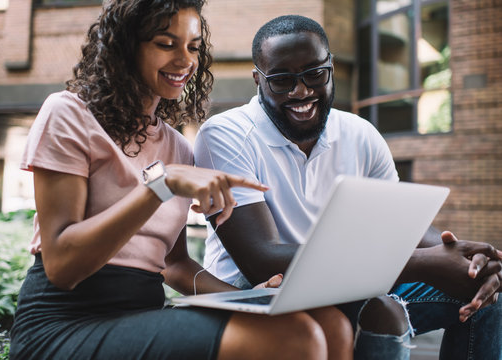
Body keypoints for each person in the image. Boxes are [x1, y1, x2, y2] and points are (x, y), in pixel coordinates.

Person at [9, 2, 356, 360]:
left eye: (193, 47)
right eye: (166, 44)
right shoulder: (68, 114)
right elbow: (62, 267)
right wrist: (161, 185)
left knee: (331, 323)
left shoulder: (176, 145)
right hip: (65, 323)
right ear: (127, 46)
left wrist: (250, 296)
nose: (185, 60)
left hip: (140, 313)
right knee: (294, 337)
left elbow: (174, 266)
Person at [194, 15, 502, 360]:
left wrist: (466, 260)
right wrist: (421, 262)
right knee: (382, 309)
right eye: (282, 80)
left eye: (315, 73)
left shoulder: (360, 134)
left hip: (351, 285)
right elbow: (262, 260)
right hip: (261, 293)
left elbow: (404, 227)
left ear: (331, 67)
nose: (302, 91)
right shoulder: (225, 135)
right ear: (258, 79)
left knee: (483, 291)